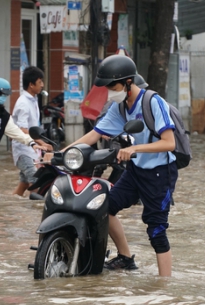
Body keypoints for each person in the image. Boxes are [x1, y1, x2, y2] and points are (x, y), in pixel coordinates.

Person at [47, 55, 178, 276]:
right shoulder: (119, 107)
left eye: (112, 85)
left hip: (160, 174)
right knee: (103, 208)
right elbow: (94, 134)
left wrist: (135, 149)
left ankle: (165, 287)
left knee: (156, 230)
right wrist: (60, 154)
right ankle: (126, 258)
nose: (109, 91)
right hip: (136, 170)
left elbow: (169, 143)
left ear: (128, 82)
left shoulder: (153, 102)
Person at [11, 66, 52, 196]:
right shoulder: (23, 103)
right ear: (31, 84)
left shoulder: (33, 100)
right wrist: (41, 144)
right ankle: (35, 214)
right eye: (40, 82)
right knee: (37, 184)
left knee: (23, 185)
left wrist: (40, 144)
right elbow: (23, 130)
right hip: (24, 151)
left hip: (31, 150)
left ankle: (9, 207)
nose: (42, 85)